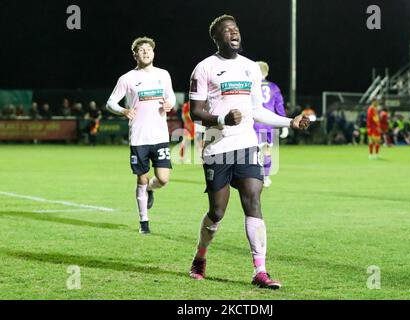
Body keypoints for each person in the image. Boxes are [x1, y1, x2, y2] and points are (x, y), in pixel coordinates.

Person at [188, 14, 310, 289]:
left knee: (253, 200)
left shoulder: (251, 68)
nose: (234, 33)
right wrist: (221, 120)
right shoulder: (204, 68)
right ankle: (200, 256)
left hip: (245, 145)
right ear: (216, 38)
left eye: (236, 29)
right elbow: (195, 112)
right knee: (217, 212)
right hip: (217, 146)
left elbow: (257, 110)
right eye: (227, 30)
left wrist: (289, 121)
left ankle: (260, 271)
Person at [106, 36, 176, 234]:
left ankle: (152, 190)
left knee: (162, 179)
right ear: (135, 55)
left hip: (160, 136)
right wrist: (123, 111)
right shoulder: (127, 78)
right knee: (141, 179)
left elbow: (170, 95)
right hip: (139, 137)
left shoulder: (163, 75)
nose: (146, 52)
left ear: (153, 53)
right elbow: (110, 102)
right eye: (141, 50)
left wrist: (171, 103)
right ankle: (144, 222)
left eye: (149, 49)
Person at [252, 61, 288, 187]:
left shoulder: (250, 85)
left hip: (254, 123)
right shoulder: (274, 87)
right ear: (266, 72)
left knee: (252, 151)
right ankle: (266, 178)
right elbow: (279, 106)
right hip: (268, 123)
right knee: (266, 150)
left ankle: (253, 178)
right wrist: (284, 124)